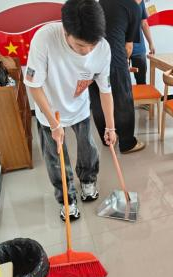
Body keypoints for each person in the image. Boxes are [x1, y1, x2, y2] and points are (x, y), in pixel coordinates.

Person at [24, 0, 116, 221]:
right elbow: (34, 86)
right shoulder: (44, 39)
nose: (87, 51)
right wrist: (54, 124)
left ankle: (88, 180)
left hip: (79, 106)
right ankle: (66, 198)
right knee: (56, 158)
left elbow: (105, 91)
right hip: (50, 111)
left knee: (88, 148)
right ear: (66, 31)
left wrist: (110, 127)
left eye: (92, 45)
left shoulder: (103, 48)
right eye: (81, 45)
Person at [89, 0, 145, 154]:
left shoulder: (100, 2)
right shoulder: (133, 7)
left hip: (92, 59)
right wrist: (124, 62)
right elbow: (129, 46)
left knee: (98, 100)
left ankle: (107, 139)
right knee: (123, 101)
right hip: (116, 59)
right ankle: (127, 143)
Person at [130, 0, 155, 85]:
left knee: (141, 81)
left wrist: (151, 43)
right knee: (122, 82)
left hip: (138, 49)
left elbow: (144, 23)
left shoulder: (140, 2)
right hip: (122, 49)